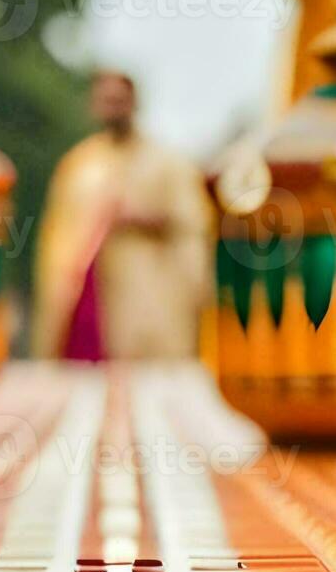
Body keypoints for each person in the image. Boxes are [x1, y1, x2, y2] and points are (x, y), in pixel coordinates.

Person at [32, 70, 212, 361]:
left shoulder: (168, 163)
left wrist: (140, 219)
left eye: (119, 100)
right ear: (93, 105)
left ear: (134, 103)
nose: (113, 107)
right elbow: (56, 237)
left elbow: (194, 224)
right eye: (106, 100)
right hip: (90, 303)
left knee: (151, 389)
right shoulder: (78, 165)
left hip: (150, 300)